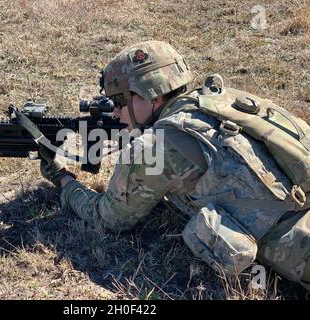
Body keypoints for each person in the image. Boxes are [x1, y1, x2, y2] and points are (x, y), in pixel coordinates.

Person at [39, 40, 310, 290]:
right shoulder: (216, 99)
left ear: (152, 95)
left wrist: (63, 179)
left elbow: (108, 218)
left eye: (120, 101)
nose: (115, 112)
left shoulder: (155, 147)